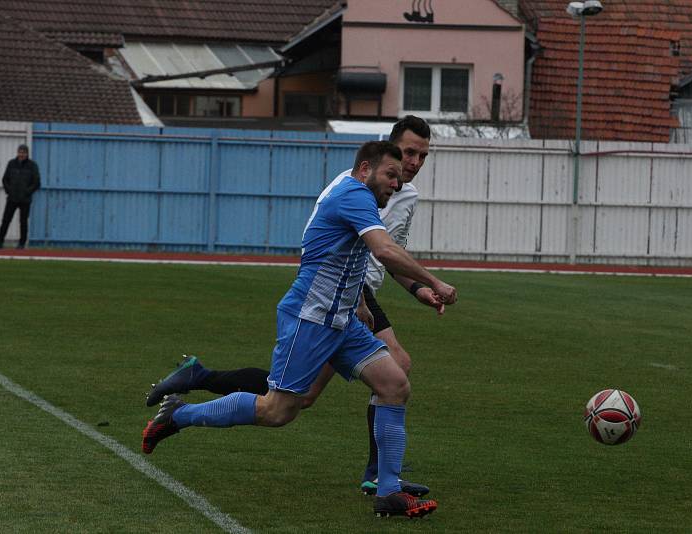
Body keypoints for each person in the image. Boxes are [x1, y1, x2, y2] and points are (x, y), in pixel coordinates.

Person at [142, 141, 457, 518]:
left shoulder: (359, 199)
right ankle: (179, 414)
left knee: (394, 384)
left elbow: (337, 253)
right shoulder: (354, 193)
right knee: (279, 411)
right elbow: (384, 250)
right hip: (311, 319)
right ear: (364, 170)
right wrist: (434, 282)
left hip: (341, 322)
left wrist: (357, 301)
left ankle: (388, 491)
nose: (397, 182)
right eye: (391, 174)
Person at [0, 144, 40, 249]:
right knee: (5, 220)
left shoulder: (33, 165)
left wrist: (27, 192)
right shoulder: (11, 163)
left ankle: (21, 244)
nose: (22, 154)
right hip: (12, 198)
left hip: (25, 199)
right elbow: (5, 179)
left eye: (24, 152)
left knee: (23, 222)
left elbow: (37, 183)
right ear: (17, 152)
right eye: (20, 152)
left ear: (27, 153)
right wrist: (9, 190)